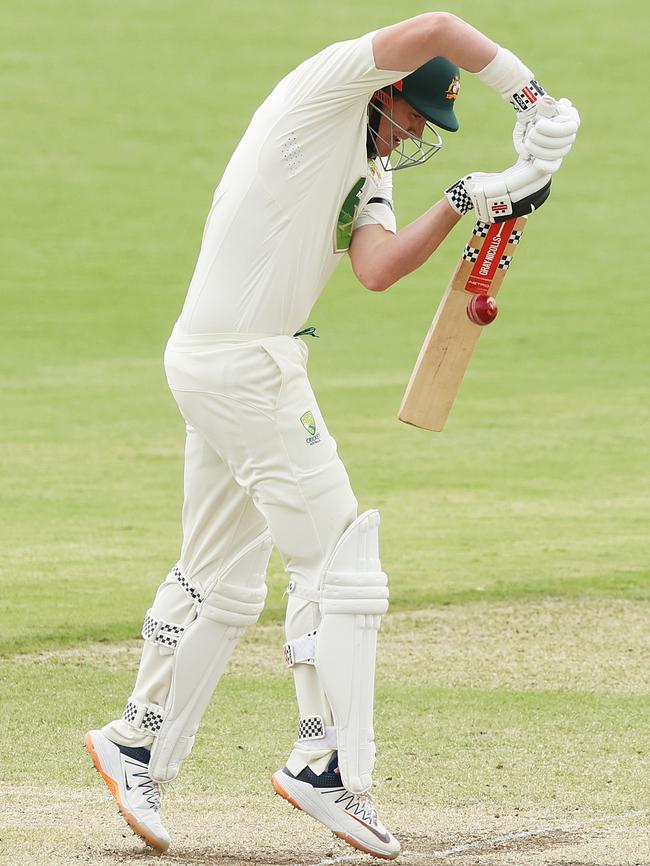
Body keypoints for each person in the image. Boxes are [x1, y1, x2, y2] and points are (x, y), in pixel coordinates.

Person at [85, 11, 579, 861]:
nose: (422, 131)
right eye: (419, 114)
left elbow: (378, 267)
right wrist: (528, 96)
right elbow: (439, 24)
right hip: (245, 369)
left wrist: (473, 198)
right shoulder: (325, 91)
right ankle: (328, 769)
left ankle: (137, 742)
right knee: (343, 560)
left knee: (223, 581)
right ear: (387, 90)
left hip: (221, 362)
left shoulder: (373, 158)